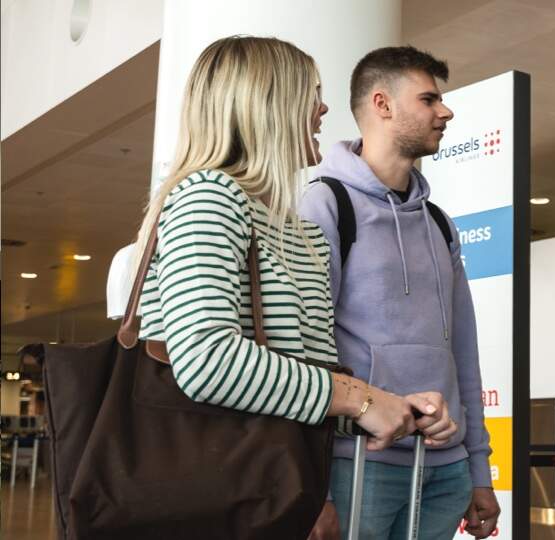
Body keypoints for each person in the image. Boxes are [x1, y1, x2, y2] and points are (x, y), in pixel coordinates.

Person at [132, 36, 456, 479]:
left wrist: (395, 409)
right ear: (266, 103)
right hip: (211, 485)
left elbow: (303, 383)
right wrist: (358, 399)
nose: (323, 110)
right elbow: (206, 359)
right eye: (312, 93)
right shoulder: (209, 196)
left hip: (275, 480)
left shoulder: (295, 230)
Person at [300, 46, 500, 539]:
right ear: (383, 104)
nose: (445, 111)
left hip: (445, 470)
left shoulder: (438, 223)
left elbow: (463, 353)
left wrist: (477, 470)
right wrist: (317, 488)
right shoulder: (324, 205)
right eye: (429, 99)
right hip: (355, 466)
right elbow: (304, 350)